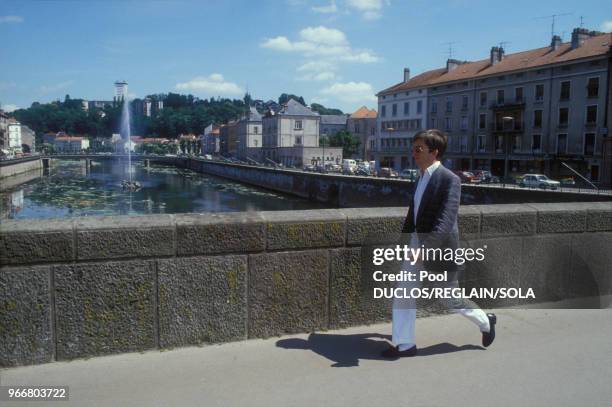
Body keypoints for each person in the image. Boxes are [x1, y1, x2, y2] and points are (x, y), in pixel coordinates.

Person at [381, 129, 497, 358]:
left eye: (418, 149)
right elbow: (413, 214)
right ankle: (404, 344)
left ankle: (486, 321)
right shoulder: (420, 176)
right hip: (416, 244)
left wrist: (425, 250)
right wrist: (404, 243)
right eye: (413, 148)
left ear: (434, 152)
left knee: (449, 298)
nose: (413, 153)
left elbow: (446, 219)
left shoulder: (449, 179)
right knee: (404, 292)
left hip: (438, 248)